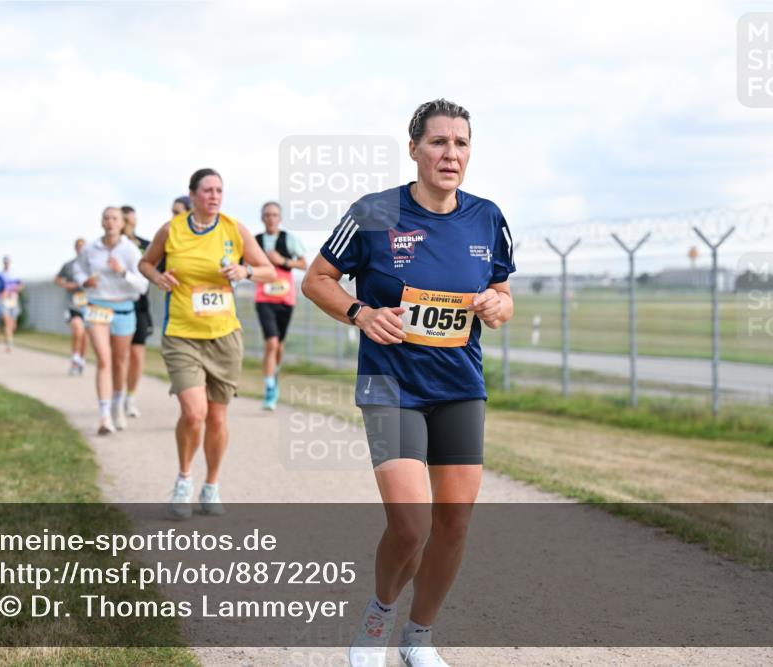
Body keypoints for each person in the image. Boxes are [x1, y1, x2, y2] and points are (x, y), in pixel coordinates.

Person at [301, 99, 516, 667]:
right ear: (415, 147)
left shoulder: (487, 217)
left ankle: (419, 637)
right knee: (410, 522)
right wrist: (361, 314)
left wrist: (498, 304)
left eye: (461, 143)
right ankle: (378, 616)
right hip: (390, 383)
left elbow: (503, 294)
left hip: (460, 387)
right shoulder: (374, 212)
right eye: (439, 142)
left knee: (455, 521)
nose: (451, 153)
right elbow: (317, 279)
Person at [139, 168, 275, 520]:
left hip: (225, 337)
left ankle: (211, 485)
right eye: (207, 190)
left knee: (216, 418)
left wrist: (245, 272)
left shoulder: (234, 229)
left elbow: (268, 271)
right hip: (182, 334)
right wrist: (158, 276)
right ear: (193, 194)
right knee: (194, 412)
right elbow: (145, 263)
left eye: (219, 190)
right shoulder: (173, 229)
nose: (214, 196)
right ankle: (184, 479)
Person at [74, 207, 148, 434]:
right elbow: (78, 269)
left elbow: (142, 285)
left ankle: (117, 405)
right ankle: (104, 416)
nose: (110, 222)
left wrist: (123, 272)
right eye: (106, 217)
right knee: (104, 360)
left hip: (124, 307)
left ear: (121, 223)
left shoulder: (130, 250)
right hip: (97, 306)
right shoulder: (91, 248)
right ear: (101, 222)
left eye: (114, 218)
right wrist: (84, 281)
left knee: (119, 361)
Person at [253, 201, 308, 410]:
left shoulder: (289, 240)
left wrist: (282, 261)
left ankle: (273, 377)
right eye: (267, 214)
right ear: (262, 217)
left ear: (280, 218)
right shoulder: (255, 241)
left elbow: (304, 264)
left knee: (280, 346)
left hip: (286, 300)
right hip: (264, 299)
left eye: (275, 214)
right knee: (271, 343)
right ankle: (269, 388)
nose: (271, 218)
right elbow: (244, 265)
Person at [122, 205, 154, 417]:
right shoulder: (109, 246)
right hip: (117, 304)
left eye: (130, 218)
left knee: (136, 354)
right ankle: (115, 395)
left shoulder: (146, 245)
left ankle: (130, 397)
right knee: (120, 355)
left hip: (140, 305)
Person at [55, 238, 89, 375]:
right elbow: (57, 279)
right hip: (72, 303)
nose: (80, 249)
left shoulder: (91, 265)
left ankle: (81, 359)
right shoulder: (68, 265)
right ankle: (75, 359)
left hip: (88, 305)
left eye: (83, 247)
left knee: (85, 336)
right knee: (77, 329)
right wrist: (66, 285)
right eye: (78, 246)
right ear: (75, 248)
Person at [0, 255, 23, 352]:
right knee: (7, 321)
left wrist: (16, 289)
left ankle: (8, 338)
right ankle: (9, 343)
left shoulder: (15, 274)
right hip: (4, 300)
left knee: (13, 324)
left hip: (14, 300)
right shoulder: (0, 275)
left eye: (7, 262)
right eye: (5, 262)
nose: (6, 263)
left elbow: (21, 285)